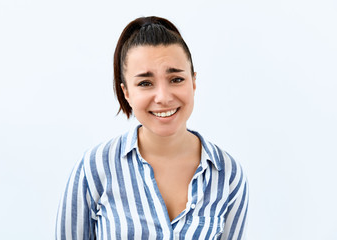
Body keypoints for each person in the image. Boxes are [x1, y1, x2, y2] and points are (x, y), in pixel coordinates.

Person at [56, 16, 248, 240]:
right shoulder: (95, 167)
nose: (163, 97)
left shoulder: (227, 174)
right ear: (126, 92)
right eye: (145, 83)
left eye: (176, 79)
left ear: (193, 82)